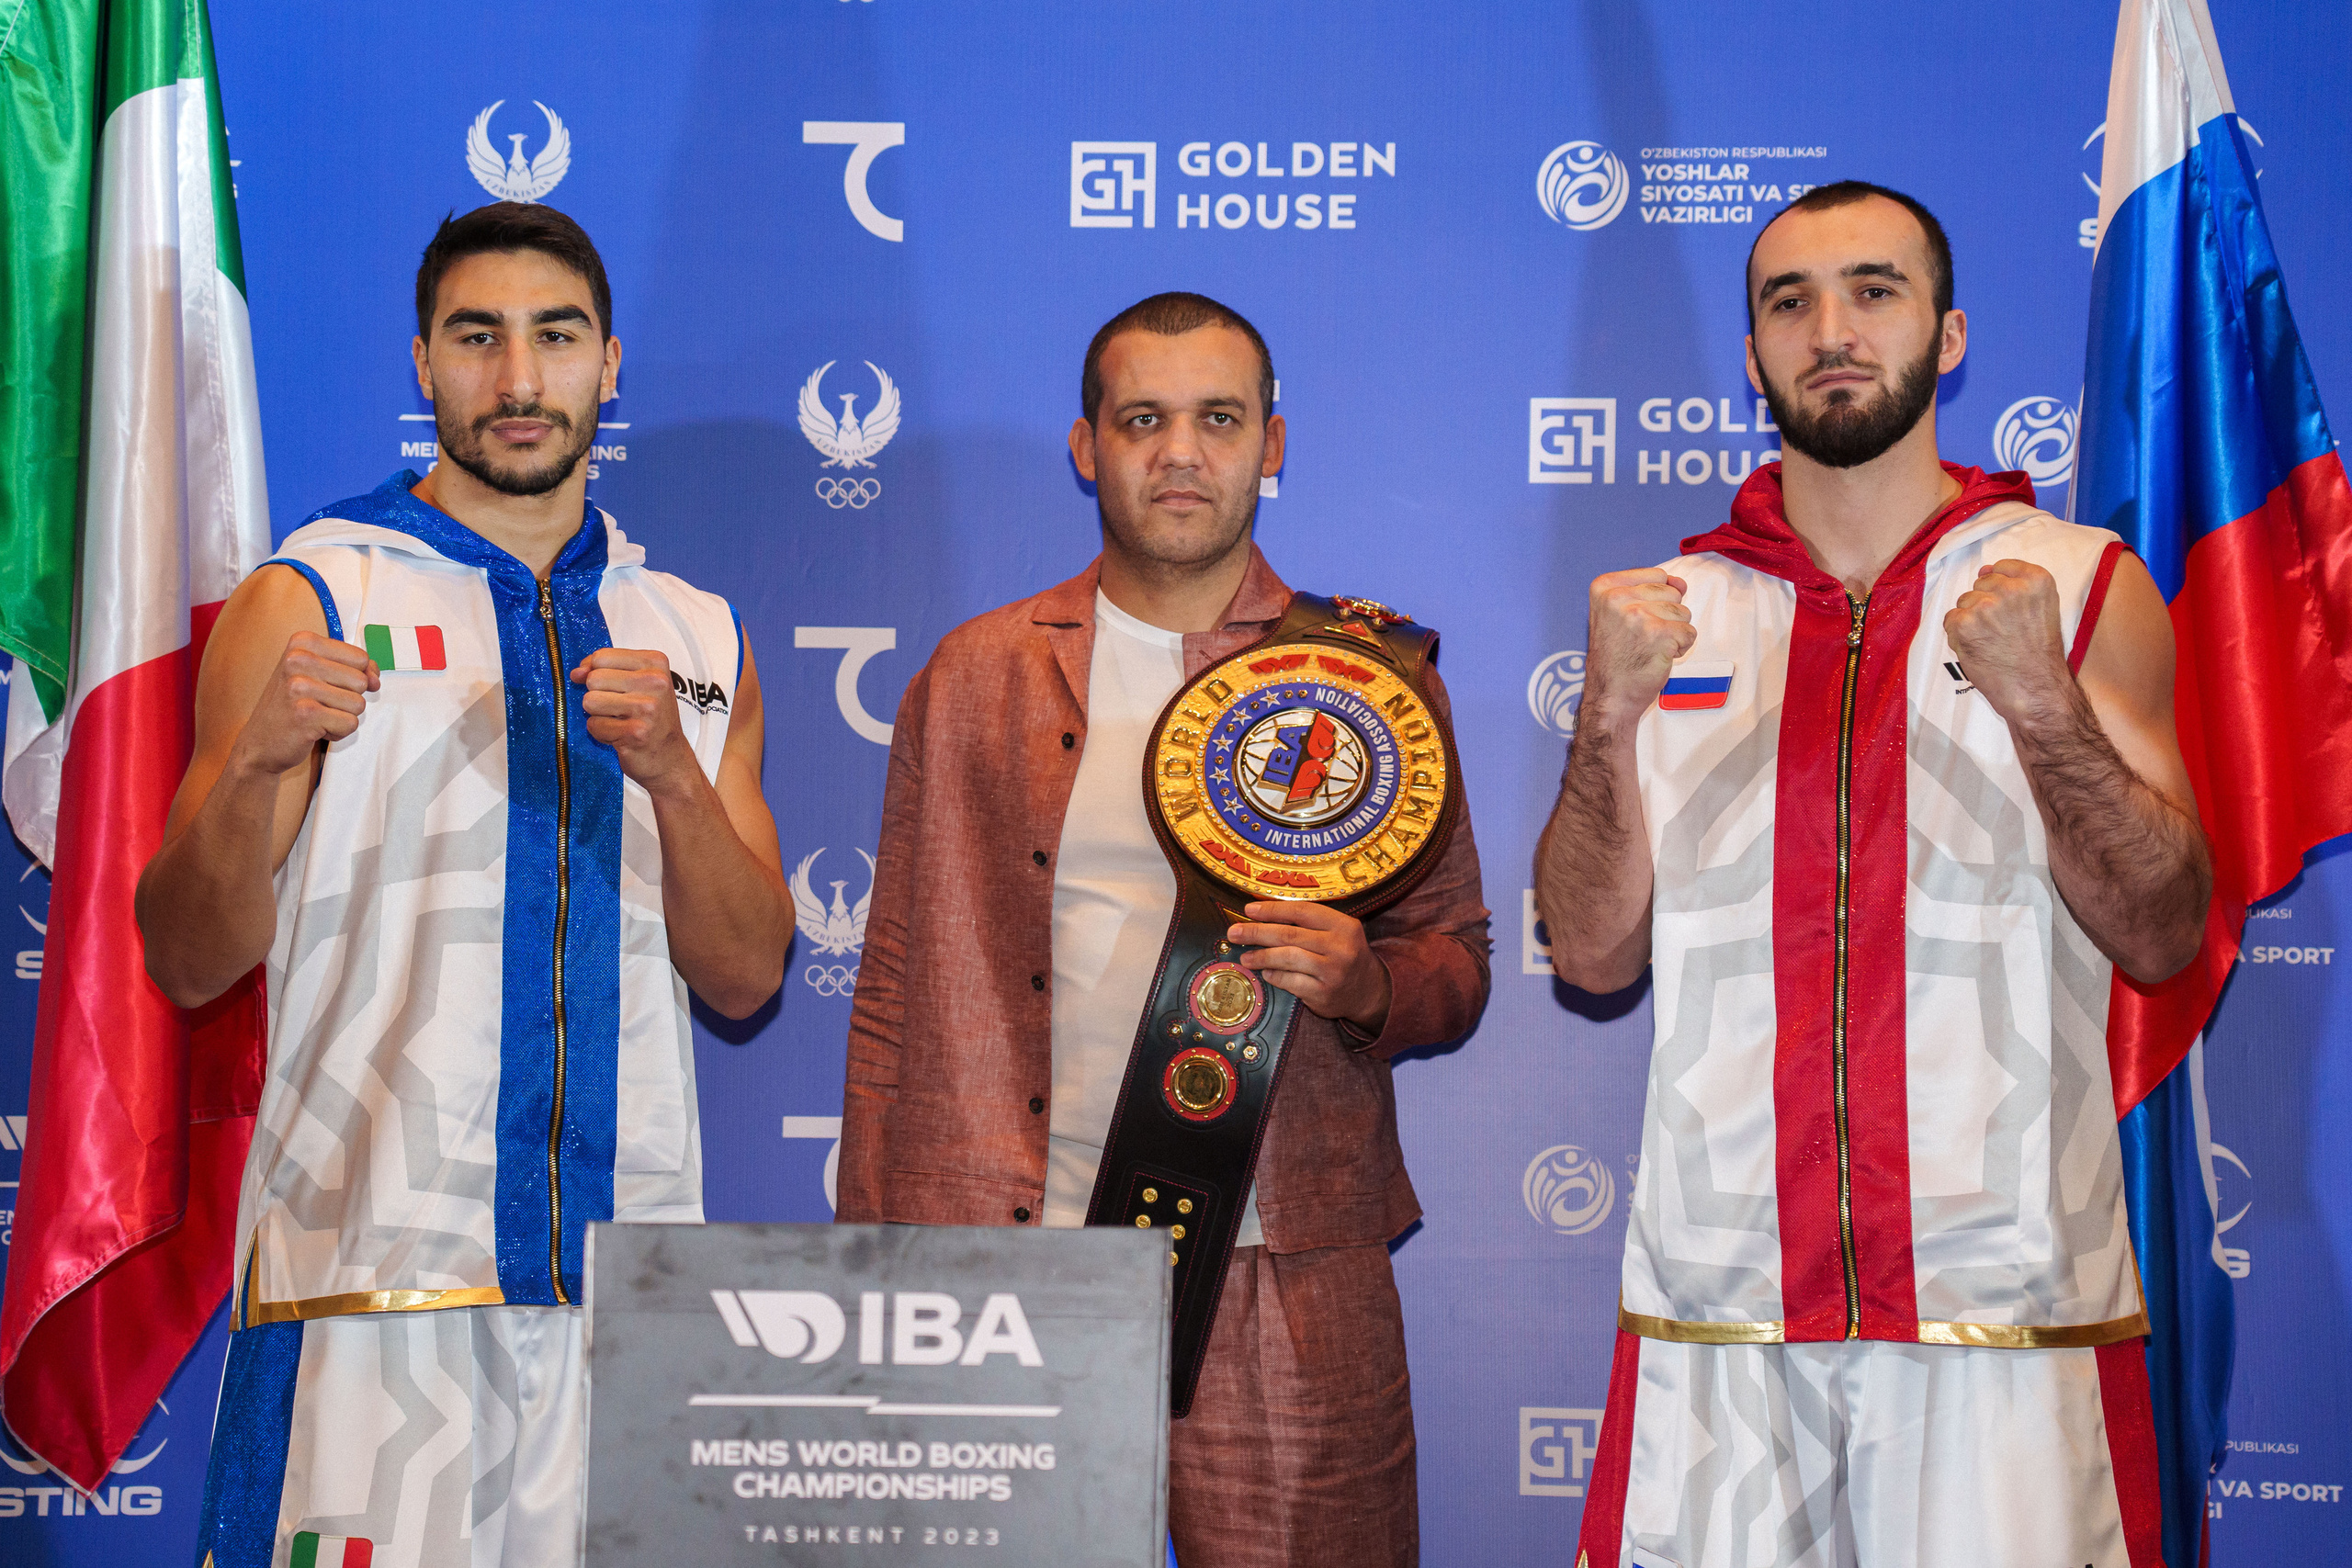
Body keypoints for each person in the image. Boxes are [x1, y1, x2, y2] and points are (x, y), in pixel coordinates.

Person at [1536, 182, 2210, 1568]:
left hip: (2004, 1306)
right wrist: (1604, 726)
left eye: (1874, 290)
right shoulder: (1671, 612)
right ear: (1752, 356)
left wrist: (2043, 707)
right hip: (1725, 1309)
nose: (1831, 329)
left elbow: (2163, 929)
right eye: (1789, 302)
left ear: (1949, 335)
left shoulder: (2077, 586)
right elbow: (1594, 957)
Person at [141, 202, 790, 1568]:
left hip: (627, 1299)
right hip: (368, 1288)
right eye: (476, 338)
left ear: (610, 365)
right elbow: (188, 958)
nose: (516, 379)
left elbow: (745, 977)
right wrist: (256, 760)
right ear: (424, 364)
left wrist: (673, 772)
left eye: (554, 339)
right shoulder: (310, 594)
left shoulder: (696, 632)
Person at [838, 292, 1490, 1567]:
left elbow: (1458, 958)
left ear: (1274, 443)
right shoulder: (973, 673)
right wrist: (879, 1260)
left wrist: (1368, 987)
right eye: (1143, 420)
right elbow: (895, 986)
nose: (1180, 453)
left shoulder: (1371, 681)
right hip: (1007, 1275)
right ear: (1087, 446)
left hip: (1283, 1262)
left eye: (1218, 419)